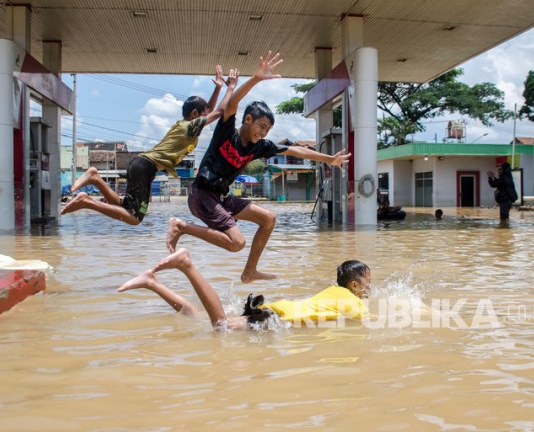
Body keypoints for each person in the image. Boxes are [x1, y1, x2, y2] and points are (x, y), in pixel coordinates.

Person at [166, 51, 351, 283]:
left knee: (268, 219)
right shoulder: (226, 131)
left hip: (221, 197)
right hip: (202, 193)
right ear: (247, 120)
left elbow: (295, 151)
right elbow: (232, 103)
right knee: (237, 243)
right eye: (260, 126)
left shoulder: (259, 147)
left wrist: (328, 158)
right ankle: (181, 227)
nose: (262, 133)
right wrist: (256, 78)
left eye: (267, 130)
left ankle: (249, 271)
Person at [61, 66, 239, 225]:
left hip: (140, 163)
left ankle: (96, 178)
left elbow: (210, 109)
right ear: (195, 114)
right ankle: (86, 202)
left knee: (123, 206)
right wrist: (230, 87)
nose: (205, 117)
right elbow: (219, 112)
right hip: (146, 166)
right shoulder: (189, 127)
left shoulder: (186, 126)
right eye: (202, 114)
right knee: (134, 218)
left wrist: (217, 88)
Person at [117, 248, 371, 331]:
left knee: (201, 318)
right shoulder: (355, 303)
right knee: (220, 327)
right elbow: (373, 324)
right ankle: (187, 266)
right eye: (368, 283)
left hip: (274, 310)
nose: (370, 288)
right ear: (355, 285)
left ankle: (152, 282)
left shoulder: (332, 291)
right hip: (275, 320)